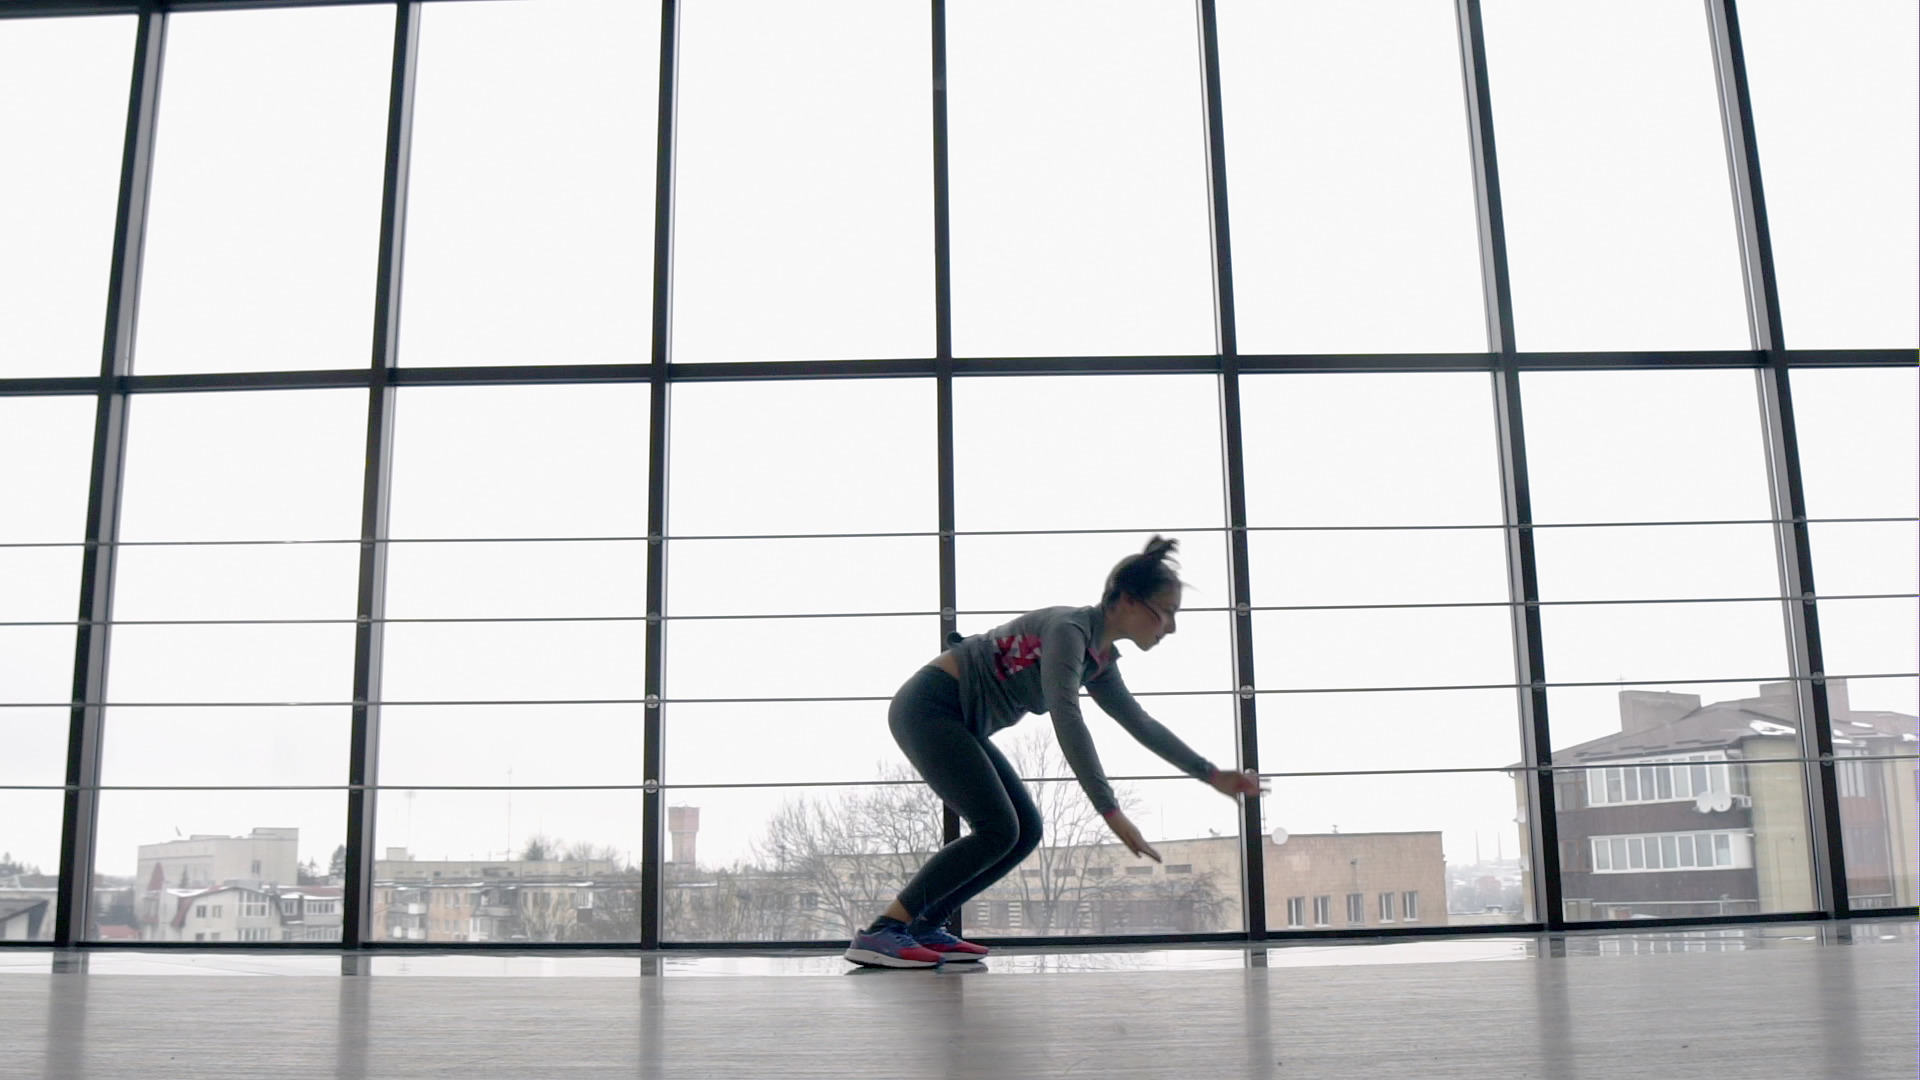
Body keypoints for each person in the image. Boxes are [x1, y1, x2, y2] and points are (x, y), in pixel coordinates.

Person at [844, 536, 1264, 968]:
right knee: (997, 828)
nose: (1171, 627)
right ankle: (883, 931)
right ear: (1126, 601)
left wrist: (1212, 774)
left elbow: (1140, 723)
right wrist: (1109, 809)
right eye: (1166, 612)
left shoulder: (1099, 660)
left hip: (961, 720)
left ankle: (925, 925)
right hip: (929, 707)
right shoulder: (1069, 630)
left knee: (1024, 830)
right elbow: (1067, 717)